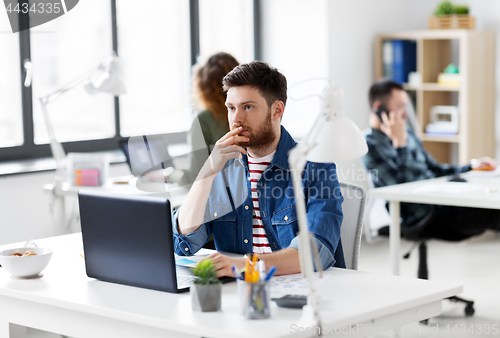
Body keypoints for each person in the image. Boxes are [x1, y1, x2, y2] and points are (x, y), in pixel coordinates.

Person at [172, 61, 345, 277]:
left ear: (277, 110)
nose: (236, 119)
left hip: (302, 291)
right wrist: (206, 173)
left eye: (248, 107)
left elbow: (315, 252)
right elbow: (184, 243)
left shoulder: (317, 167)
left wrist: (246, 265)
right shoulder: (221, 169)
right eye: (231, 108)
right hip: (239, 294)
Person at [363, 79, 500, 240]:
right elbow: (402, 189)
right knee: (493, 213)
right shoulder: (369, 147)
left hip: (442, 201)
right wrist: (400, 144)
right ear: (379, 108)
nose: (405, 113)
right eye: (400, 106)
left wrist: (472, 166)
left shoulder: (407, 133)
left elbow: (436, 169)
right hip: (423, 214)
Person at [148, 52, 239, 185]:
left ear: (203, 86)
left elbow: (194, 179)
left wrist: (168, 174)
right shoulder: (246, 115)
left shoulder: (204, 119)